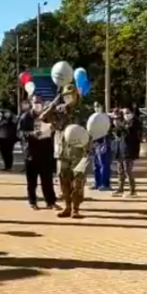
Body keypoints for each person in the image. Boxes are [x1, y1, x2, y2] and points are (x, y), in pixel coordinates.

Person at [40, 84, 90, 218]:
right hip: (62, 152)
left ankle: (76, 209)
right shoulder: (59, 110)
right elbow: (43, 118)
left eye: (71, 95)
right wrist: (55, 102)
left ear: (76, 95)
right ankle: (67, 206)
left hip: (79, 152)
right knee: (63, 180)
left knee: (78, 182)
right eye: (65, 96)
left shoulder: (83, 111)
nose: (68, 98)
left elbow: (90, 131)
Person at [17, 95, 60, 210]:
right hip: (31, 153)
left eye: (40, 102)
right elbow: (19, 133)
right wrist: (31, 134)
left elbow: (56, 126)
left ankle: (51, 202)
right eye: (35, 102)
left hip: (45, 153)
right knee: (32, 181)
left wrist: (52, 127)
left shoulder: (47, 116)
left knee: (47, 180)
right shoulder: (26, 117)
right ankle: (32, 201)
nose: (38, 104)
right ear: (31, 102)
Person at [112, 106, 142, 197]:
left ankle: (133, 190)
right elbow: (118, 133)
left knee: (127, 170)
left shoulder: (135, 123)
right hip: (121, 149)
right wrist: (116, 126)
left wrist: (119, 125)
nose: (126, 115)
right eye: (124, 113)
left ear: (132, 113)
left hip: (129, 150)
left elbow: (128, 132)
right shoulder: (124, 122)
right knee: (120, 170)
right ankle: (120, 188)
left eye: (128, 113)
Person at [91, 102, 113, 191]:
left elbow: (108, 129)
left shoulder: (106, 117)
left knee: (104, 164)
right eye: (95, 106)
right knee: (96, 164)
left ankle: (105, 184)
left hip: (104, 141)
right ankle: (97, 182)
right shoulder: (93, 117)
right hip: (95, 142)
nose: (96, 108)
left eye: (98, 106)